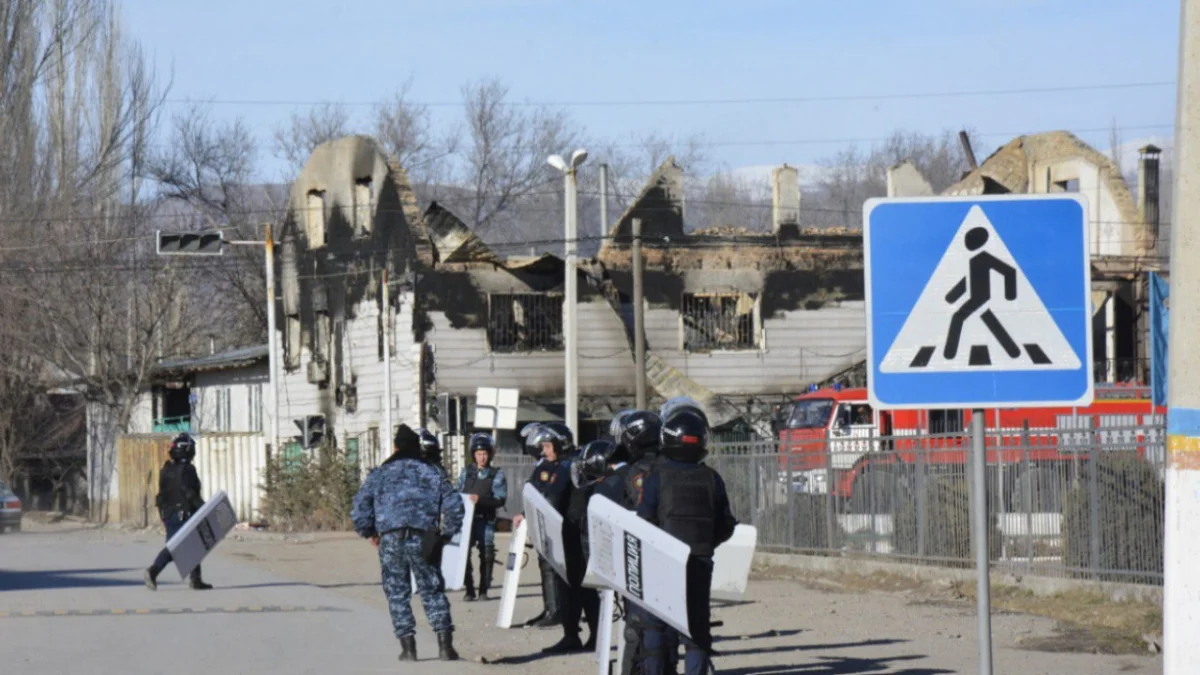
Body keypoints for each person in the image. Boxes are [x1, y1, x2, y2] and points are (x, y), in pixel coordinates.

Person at [637, 403, 738, 675]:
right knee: (696, 629)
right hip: (700, 561)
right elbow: (727, 524)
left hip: (661, 561)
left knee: (656, 626)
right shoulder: (712, 478)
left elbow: (643, 521)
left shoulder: (655, 476)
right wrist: (704, 544)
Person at [351, 424, 466, 662]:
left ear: (395, 447)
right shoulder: (431, 471)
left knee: (397, 592)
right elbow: (455, 506)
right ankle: (445, 647)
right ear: (417, 448)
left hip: (390, 538)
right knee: (432, 589)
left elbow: (359, 509)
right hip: (424, 536)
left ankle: (409, 649)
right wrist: (446, 535)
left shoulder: (380, 473)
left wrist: (370, 531)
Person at [511, 422, 575, 629]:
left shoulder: (568, 466)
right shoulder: (551, 466)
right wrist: (524, 513)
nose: (543, 450)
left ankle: (559, 612)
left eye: (548, 446)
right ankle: (550, 608)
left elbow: (553, 496)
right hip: (547, 524)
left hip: (565, 527)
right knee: (546, 567)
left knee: (555, 569)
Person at [144, 433, 212, 591]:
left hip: (169, 514)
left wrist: (163, 515)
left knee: (190, 545)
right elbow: (189, 492)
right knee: (179, 547)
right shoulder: (188, 469)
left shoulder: (166, 469)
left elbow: (161, 495)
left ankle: (196, 580)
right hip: (184, 513)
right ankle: (154, 570)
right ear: (188, 450)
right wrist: (203, 508)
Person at [455, 432, 508, 602]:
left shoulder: (496, 474)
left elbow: (500, 499)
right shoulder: (466, 472)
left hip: (485, 520)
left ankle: (484, 590)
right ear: (473, 455)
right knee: (464, 553)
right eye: (478, 454)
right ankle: (469, 589)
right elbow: (457, 493)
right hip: (466, 520)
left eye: (485, 454)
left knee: (487, 553)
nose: (482, 458)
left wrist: (481, 500)